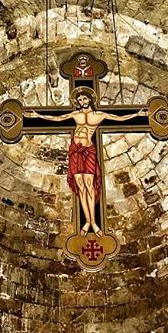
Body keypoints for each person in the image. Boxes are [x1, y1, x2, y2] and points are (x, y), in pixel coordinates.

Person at [26, 88, 146, 236]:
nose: (82, 102)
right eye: (80, 100)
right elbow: (57, 118)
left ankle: (94, 222)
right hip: (76, 151)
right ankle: (88, 221)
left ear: (90, 100)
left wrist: (137, 114)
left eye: (85, 99)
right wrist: (37, 115)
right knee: (81, 187)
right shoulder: (76, 114)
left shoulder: (100, 115)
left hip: (88, 150)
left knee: (90, 186)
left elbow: (120, 118)